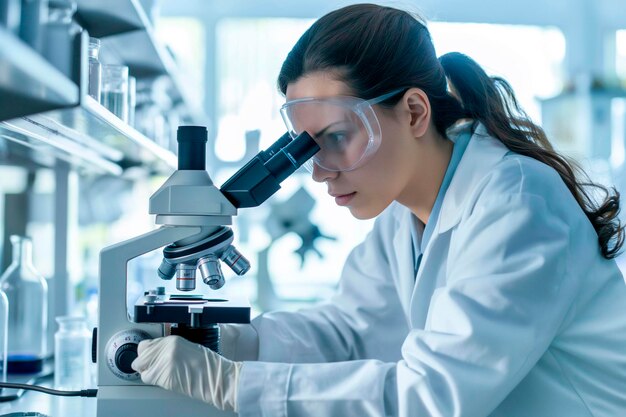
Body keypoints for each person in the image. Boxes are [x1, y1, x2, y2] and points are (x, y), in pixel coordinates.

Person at [131, 4, 626, 416]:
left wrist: (234, 385)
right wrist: (238, 344)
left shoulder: (516, 201)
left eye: (337, 138)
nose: (320, 171)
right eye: (307, 148)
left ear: (413, 111)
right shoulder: (403, 214)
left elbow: (430, 397)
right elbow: (350, 332)